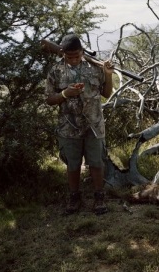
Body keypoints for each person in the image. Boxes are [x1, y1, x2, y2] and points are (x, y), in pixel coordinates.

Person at [45, 34, 113, 215]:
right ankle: (74, 197)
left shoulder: (95, 68)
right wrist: (65, 94)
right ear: (63, 54)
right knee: (73, 165)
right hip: (69, 126)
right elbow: (49, 99)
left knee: (97, 163)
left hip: (94, 124)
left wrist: (108, 74)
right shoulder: (56, 70)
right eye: (69, 56)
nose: (74, 59)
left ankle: (99, 197)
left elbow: (107, 93)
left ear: (82, 52)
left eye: (77, 55)